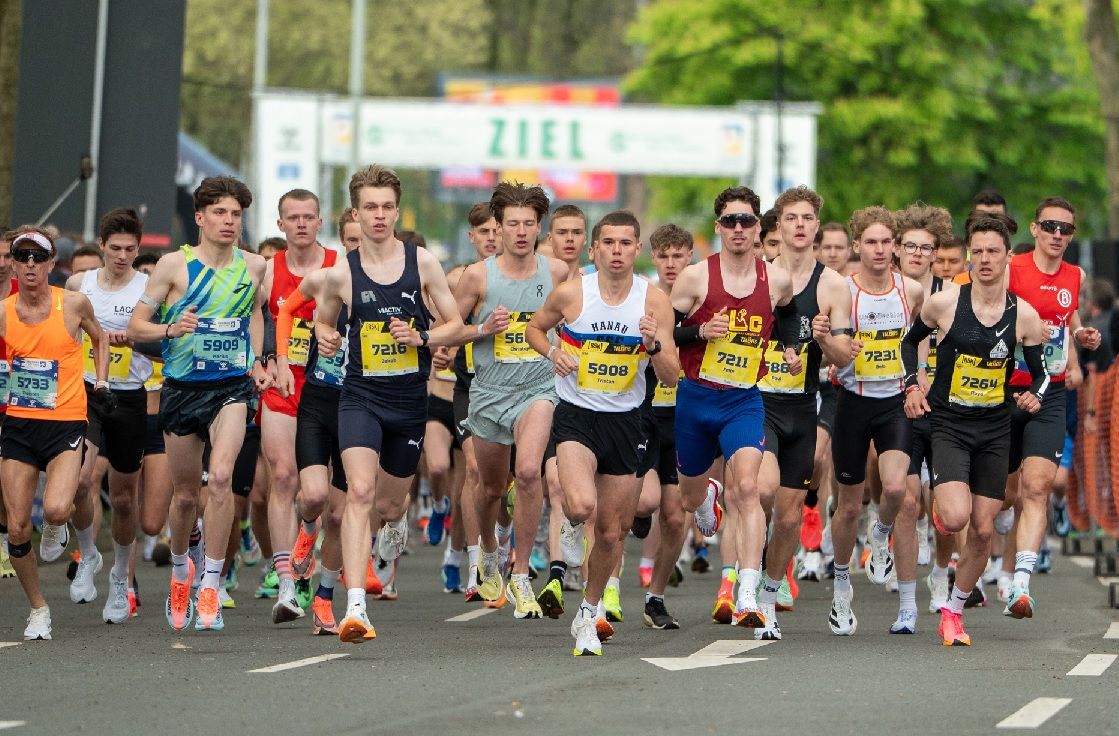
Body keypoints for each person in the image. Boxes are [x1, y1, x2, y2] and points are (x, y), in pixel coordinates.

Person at [313, 164, 465, 642]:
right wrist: (327, 339)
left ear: (397, 211)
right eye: (369, 208)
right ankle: (355, 606)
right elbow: (322, 323)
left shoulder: (421, 263)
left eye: (386, 207)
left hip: (408, 401)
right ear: (355, 214)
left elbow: (455, 324)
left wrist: (421, 336)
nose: (378, 216)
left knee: (390, 502)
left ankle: (393, 526)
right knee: (357, 491)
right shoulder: (341, 273)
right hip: (360, 396)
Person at [526, 210, 679, 655]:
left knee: (613, 533)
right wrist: (553, 352)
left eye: (625, 243)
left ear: (637, 249)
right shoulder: (573, 293)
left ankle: (588, 614)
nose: (616, 251)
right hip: (577, 413)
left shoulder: (654, 303)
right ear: (595, 250)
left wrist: (653, 345)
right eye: (608, 243)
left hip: (627, 420)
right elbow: (535, 328)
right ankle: (572, 523)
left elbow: (672, 377)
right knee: (581, 504)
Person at [128, 176, 271, 633]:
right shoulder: (173, 266)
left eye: (236, 215)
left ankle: (211, 582)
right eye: (221, 213)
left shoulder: (254, 267)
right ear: (200, 217)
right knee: (187, 495)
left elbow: (254, 312)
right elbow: (136, 327)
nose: (229, 222)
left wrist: (257, 358)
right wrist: (172, 330)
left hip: (230, 386)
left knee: (223, 477)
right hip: (182, 388)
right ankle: (179, 572)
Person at [901, 215, 1047, 646]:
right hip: (949, 425)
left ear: (1008, 257)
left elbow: (1042, 374)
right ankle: (942, 512)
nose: (985, 259)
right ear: (969, 254)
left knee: (984, 531)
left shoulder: (1025, 315)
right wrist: (913, 382)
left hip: (995, 429)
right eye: (978, 251)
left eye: (993, 252)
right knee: (956, 516)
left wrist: (1035, 396)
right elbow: (910, 343)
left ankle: (954, 610)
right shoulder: (944, 303)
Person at [671, 185, 798, 628]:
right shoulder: (695, 278)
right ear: (719, 227)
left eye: (747, 221)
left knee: (748, 489)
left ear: (758, 226)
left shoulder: (776, 279)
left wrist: (789, 347)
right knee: (687, 497)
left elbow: (787, 316)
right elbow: (665, 336)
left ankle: (747, 592)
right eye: (730, 221)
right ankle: (706, 497)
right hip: (696, 398)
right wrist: (700, 332)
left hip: (744, 400)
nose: (739, 229)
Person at [452, 182, 568, 619]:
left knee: (529, 472)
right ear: (497, 227)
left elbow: (573, 316)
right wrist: (483, 329)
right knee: (490, 487)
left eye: (529, 224)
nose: (521, 232)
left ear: (540, 227)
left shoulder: (556, 272)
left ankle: (520, 574)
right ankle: (487, 551)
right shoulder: (478, 276)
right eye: (512, 224)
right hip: (489, 392)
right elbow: (450, 328)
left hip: (538, 388)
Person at [756, 186, 854, 640]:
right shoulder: (757, 276)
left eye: (807, 218)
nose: (799, 225)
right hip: (757, 402)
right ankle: (747, 571)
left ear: (816, 226)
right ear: (778, 227)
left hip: (801, 403)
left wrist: (821, 340)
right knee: (760, 489)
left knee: (791, 516)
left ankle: (768, 596)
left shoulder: (833, 285)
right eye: (790, 217)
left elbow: (844, 357)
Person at [0, 227, 109, 640]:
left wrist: (101, 383)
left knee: (59, 508)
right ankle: (38, 608)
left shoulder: (73, 304)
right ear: (13, 263)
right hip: (19, 424)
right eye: (21, 256)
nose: (29, 264)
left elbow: (99, 339)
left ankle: (58, 526)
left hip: (65, 420)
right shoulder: (4, 311)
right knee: (15, 527)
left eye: (37, 257)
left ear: (50, 263)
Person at [828, 206, 924, 636]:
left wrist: (917, 382)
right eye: (872, 242)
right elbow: (828, 344)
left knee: (899, 488)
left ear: (897, 247)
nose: (881, 249)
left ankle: (881, 533)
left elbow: (919, 340)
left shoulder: (912, 290)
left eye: (888, 242)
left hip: (894, 403)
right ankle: (842, 586)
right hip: (851, 400)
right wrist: (832, 350)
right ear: (857, 247)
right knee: (848, 506)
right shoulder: (842, 291)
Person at [1003, 196, 1100, 619]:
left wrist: (1080, 336)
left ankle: (1021, 585)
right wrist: (1024, 327)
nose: (1058, 235)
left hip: (1049, 391)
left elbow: (1067, 313)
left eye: (1066, 229)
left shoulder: (1075, 275)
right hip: (1001, 390)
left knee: (1037, 486)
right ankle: (985, 557)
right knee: (999, 497)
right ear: (1035, 229)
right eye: (1051, 227)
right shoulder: (1011, 270)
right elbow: (982, 315)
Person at [63, 208, 154, 624]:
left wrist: (134, 340)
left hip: (130, 396)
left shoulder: (149, 289)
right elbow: (64, 340)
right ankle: (87, 554)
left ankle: (120, 573)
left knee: (122, 497)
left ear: (138, 249)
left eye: (130, 249)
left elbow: (163, 349)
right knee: (80, 480)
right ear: (101, 246)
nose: (121, 256)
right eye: (114, 248)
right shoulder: (79, 285)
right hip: (84, 391)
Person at [260, 188, 338, 623]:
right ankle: (287, 585)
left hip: (327, 387)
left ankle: (309, 529)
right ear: (281, 225)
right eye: (294, 217)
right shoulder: (267, 271)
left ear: (320, 222)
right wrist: (264, 359)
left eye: (310, 216)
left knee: (316, 493)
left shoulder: (339, 267)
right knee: (283, 476)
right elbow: (256, 318)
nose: (302, 224)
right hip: (283, 385)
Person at [892, 202, 955, 630]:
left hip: (947, 407)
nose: (916, 254)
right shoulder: (883, 288)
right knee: (907, 500)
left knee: (948, 510)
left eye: (925, 247)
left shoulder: (951, 296)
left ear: (935, 252)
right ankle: (907, 606)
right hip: (896, 403)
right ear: (897, 249)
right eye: (909, 246)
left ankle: (940, 574)